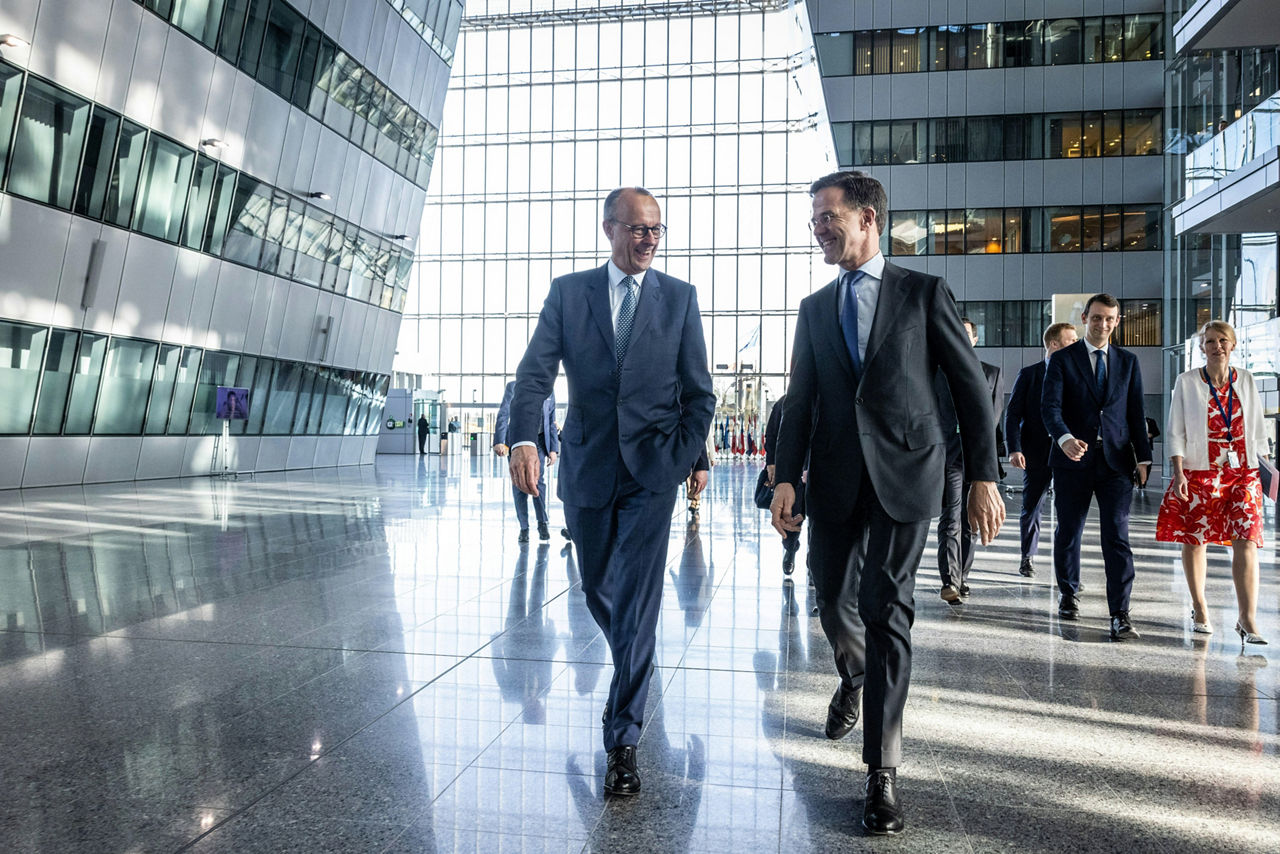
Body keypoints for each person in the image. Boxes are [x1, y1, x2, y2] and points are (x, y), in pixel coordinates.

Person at [770, 171, 1004, 836]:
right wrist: (787, 476)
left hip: (908, 475)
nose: (816, 226)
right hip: (837, 478)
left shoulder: (923, 294)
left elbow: (969, 391)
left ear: (867, 218)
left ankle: (882, 773)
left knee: (887, 610)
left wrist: (983, 476)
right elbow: (802, 399)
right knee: (830, 600)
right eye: (814, 217)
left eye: (826, 215)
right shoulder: (816, 308)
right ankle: (855, 676)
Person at [507, 186, 715, 797]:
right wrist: (524, 438)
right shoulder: (571, 295)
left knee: (641, 603)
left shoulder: (679, 299)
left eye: (656, 230)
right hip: (588, 467)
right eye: (637, 229)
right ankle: (628, 664)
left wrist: (682, 458)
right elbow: (534, 373)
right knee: (600, 590)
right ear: (609, 229)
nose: (648, 239)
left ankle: (623, 738)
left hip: (653, 476)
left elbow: (698, 392)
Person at [1042, 293, 1150, 640]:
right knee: (1069, 530)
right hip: (1073, 459)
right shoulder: (1063, 360)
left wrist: (1144, 457)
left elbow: (1136, 413)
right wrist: (1064, 438)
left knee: (1117, 536)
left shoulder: (1128, 361)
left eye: (1110, 319)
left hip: (1116, 462)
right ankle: (1068, 593)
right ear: (1085, 318)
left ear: (1117, 323)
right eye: (1097, 317)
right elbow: (1050, 409)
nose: (1103, 324)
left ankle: (1120, 613)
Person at [1156, 320, 1270, 645]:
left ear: (1233, 345)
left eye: (1223, 340)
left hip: (1242, 472)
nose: (1217, 346)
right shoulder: (1187, 381)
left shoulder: (1246, 380)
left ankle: (1247, 619)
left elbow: (1258, 430)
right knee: (1195, 539)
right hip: (1199, 469)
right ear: (1202, 347)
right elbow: (1175, 430)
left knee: (1246, 540)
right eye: (1210, 341)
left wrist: (1263, 468)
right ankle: (1200, 606)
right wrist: (1178, 472)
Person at [934, 317, 1004, 602]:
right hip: (948, 454)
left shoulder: (992, 373)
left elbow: (995, 417)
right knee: (951, 516)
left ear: (975, 340)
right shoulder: (936, 372)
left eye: (966, 334)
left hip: (975, 457)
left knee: (970, 521)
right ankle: (949, 580)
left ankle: (962, 576)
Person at [1004, 322, 1079, 578]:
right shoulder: (1030, 374)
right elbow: (1012, 414)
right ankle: (1027, 556)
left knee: (1069, 508)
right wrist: (1014, 448)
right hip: (1035, 451)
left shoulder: (1076, 376)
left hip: (1068, 452)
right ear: (1055, 344)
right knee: (1032, 505)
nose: (1077, 344)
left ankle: (1068, 567)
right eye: (1071, 340)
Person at [495, 381, 560, 542]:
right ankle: (524, 527)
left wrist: (553, 449)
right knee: (519, 483)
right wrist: (499, 440)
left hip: (539, 441)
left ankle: (542, 522)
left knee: (538, 481)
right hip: (517, 440)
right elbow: (504, 413)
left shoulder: (549, 389)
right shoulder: (513, 387)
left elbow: (551, 420)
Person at [764, 394, 801, 575]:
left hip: (819, 467)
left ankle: (815, 561)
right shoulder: (784, 402)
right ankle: (790, 549)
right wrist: (771, 462)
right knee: (793, 513)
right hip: (792, 469)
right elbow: (771, 434)